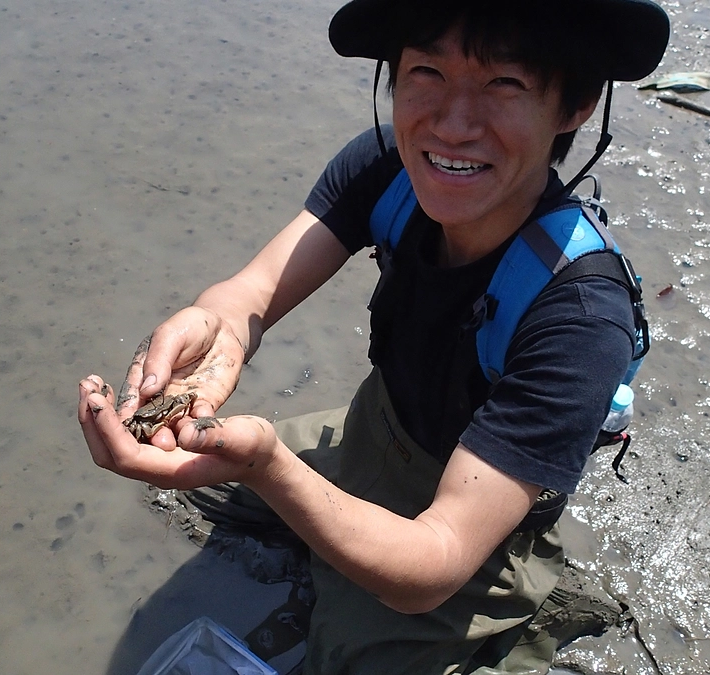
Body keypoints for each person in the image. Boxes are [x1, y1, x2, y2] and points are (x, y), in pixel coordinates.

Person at [78, 0, 669, 672]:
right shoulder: (388, 171)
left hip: (466, 517)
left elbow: (434, 559)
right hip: (372, 431)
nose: (452, 125)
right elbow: (252, 291)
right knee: (190, 477)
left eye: (504, 84)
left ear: (575, 105)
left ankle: (524, 606)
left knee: (348, 655)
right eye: (426, 71)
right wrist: (213, 329)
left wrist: (267, 466)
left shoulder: (580, 318)